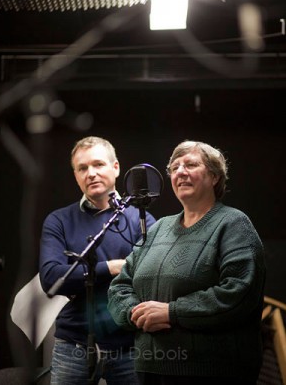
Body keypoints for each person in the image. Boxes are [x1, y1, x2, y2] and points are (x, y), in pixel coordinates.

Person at [108, 140, 266, 385]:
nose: (180, 172)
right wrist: (135, 313)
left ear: (214, 177)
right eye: (175, 167)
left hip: (211, 371)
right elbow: (120, 286)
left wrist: (172, 313)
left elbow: (239, 294)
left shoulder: (233, 224)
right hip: (150, 369)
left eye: (191, 164)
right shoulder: (159, 228)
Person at [39, 136, 156, 385]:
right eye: (82, 168)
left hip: (130, 346)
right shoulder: (59, 221)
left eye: (98, 164)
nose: (91, 173)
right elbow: (51, 279)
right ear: (75, 175)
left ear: (115, 168)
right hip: (73, 345)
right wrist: (112, 267)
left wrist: (81, 276)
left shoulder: (142, 221)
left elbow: (150, 276)